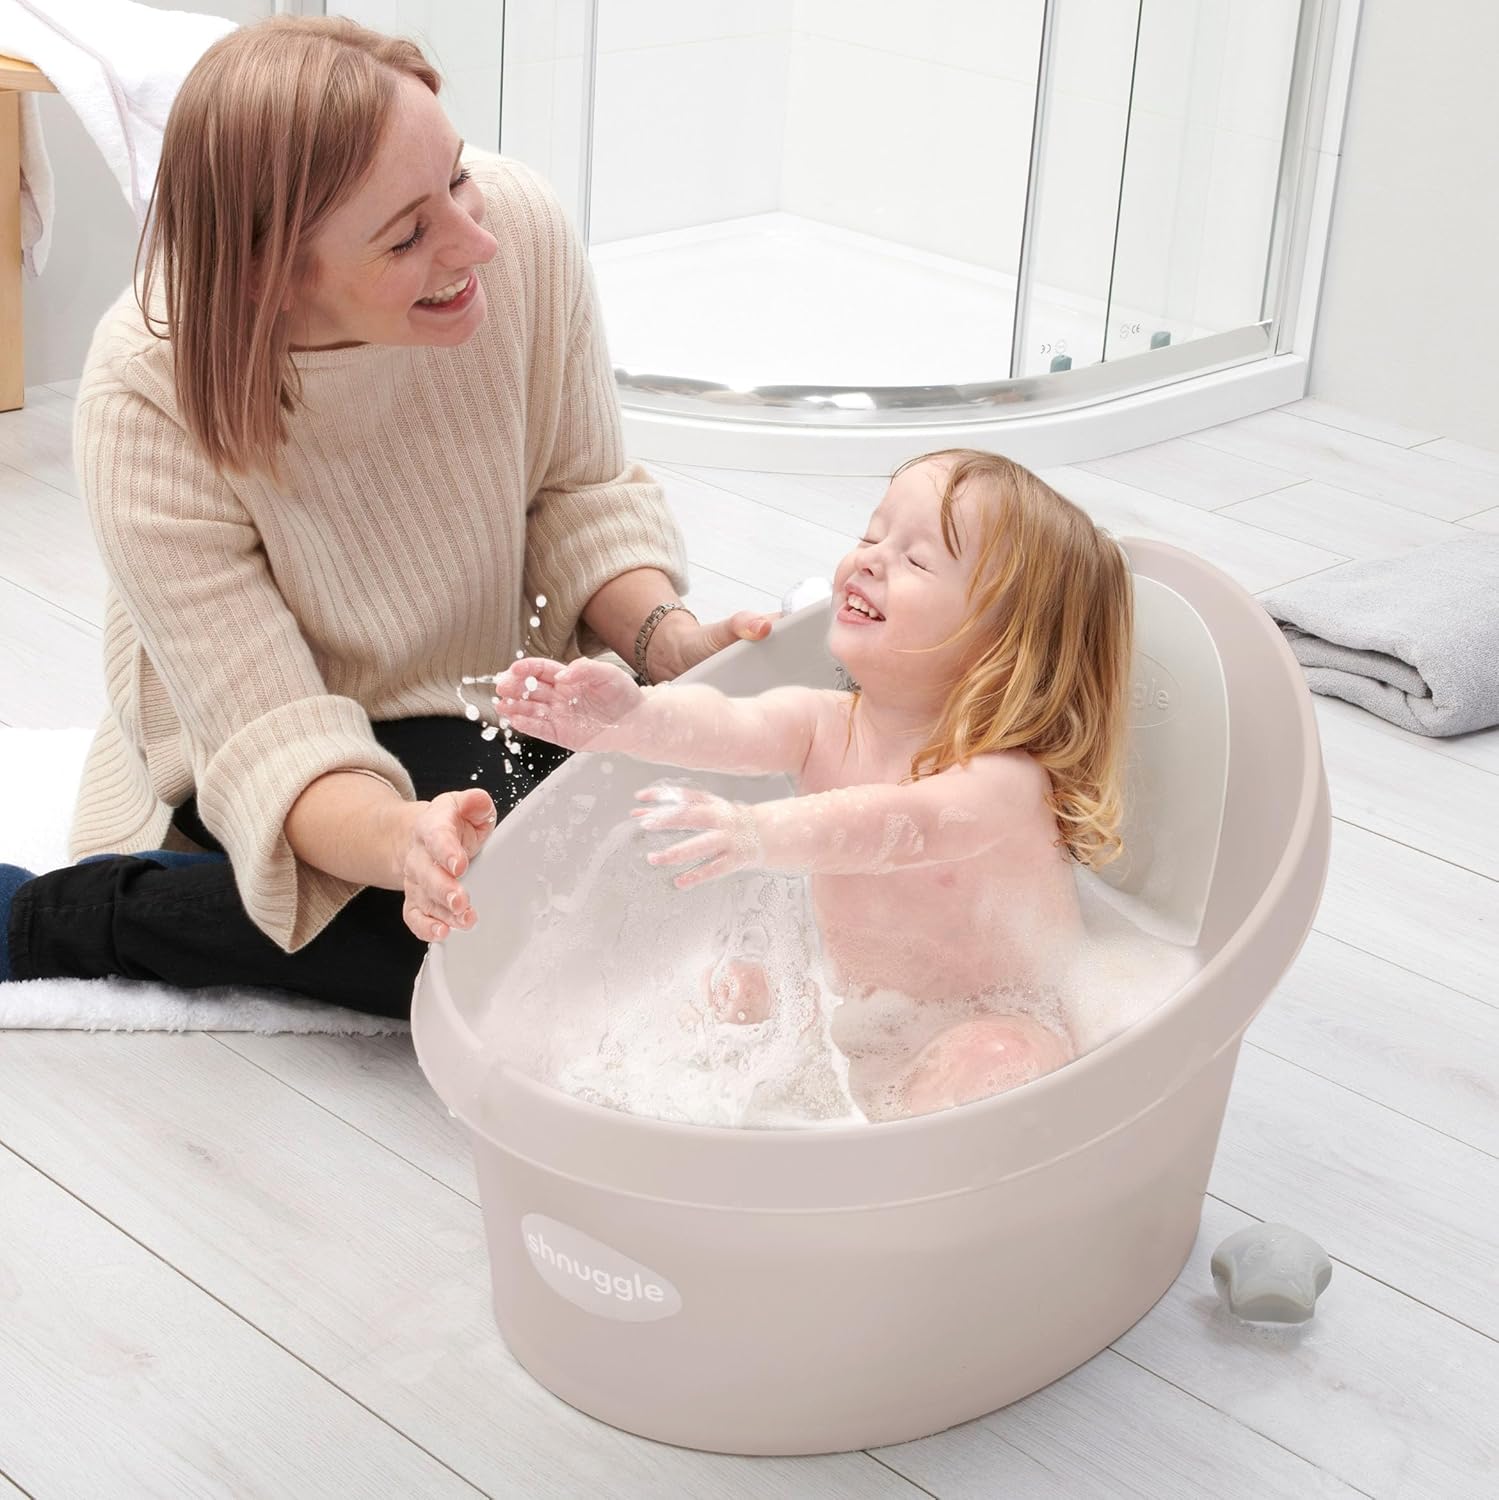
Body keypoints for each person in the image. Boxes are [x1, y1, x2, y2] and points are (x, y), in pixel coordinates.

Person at [0, 16, 772, 1014]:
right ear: (274, 277)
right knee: (507, 946)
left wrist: (666, 642)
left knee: (682, 867)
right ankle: (76, 912)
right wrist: (403, 845)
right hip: (280, 739)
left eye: (455, 177)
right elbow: (272, 731)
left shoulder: (520, 229)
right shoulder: (147, 398)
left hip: (490, 690)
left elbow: (574, 493)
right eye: (408, 235)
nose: (475, 240)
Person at [493, 449, 1134, 1118]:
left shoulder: (1004, 781)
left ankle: (888, 1169)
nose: (870, 558)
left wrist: (756, 832)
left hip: (993, 1021)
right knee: (736, 989)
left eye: (917, 560)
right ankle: (653, 1112)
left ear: (1004, 643)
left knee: (998, 1060)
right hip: (857, 1014)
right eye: (870, 534)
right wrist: (631, 717)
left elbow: (899, 825)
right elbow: (725, 721)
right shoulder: (824, 721)